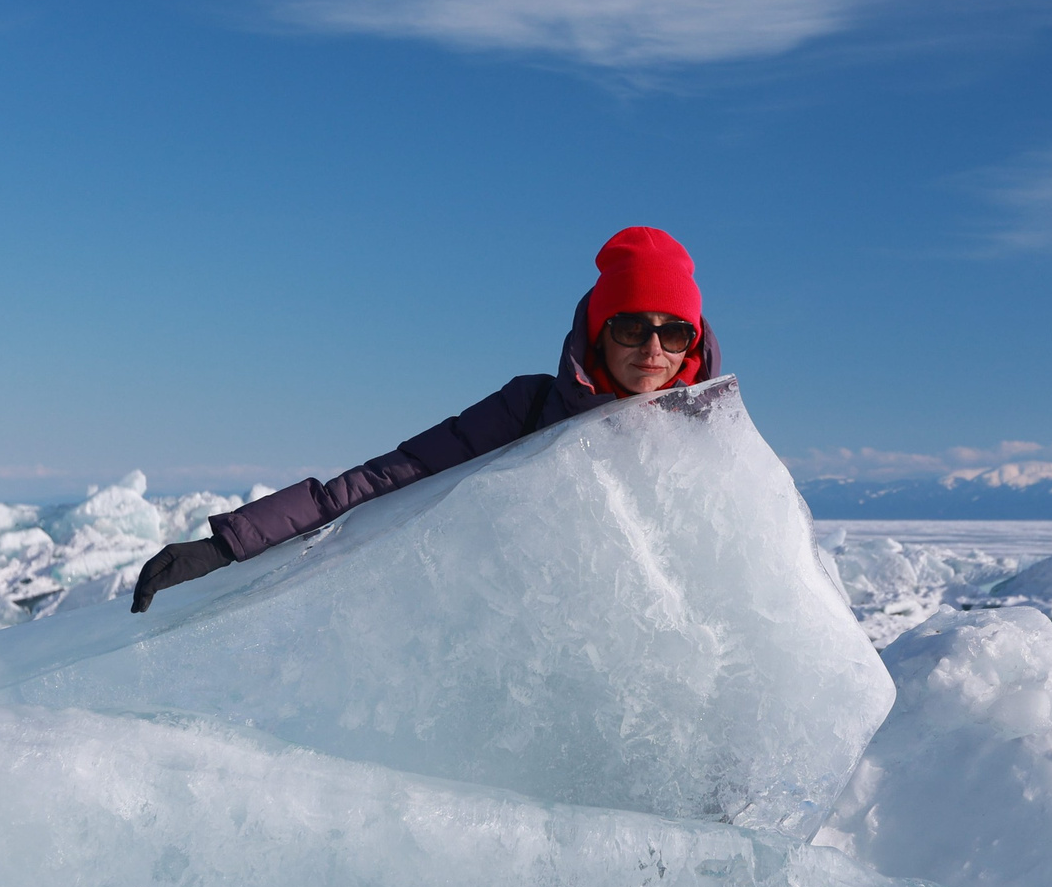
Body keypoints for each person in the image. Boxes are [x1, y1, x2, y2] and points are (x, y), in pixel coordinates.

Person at [129, 226, 718, 612]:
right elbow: (389, 475)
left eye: (673, 331)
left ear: (691, 343)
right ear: (598, 332)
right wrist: (226, 545)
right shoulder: (534, 407)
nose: (653, 348)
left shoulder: (714, 435)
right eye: (632, 326)